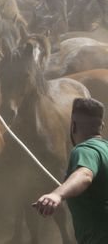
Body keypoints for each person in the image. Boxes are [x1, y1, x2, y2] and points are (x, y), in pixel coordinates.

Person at [33, 98, 108, 244]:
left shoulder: (85, 150)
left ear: (73, 126)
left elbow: (85, 175)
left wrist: (56, 195)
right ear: (102, 126)